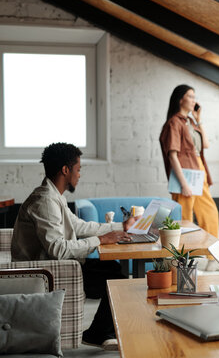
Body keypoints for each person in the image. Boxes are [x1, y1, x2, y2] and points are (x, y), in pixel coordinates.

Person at [11, 143, 137, 351]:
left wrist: (119, 227)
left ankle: (100, 332)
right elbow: (58, 250)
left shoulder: (54, 195)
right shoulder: (44, 202)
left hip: (58, 266)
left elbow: (78, 225)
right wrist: (101, 240)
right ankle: (100, 333)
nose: (79, 175)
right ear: (65, 170)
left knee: (114, 271)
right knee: (117, 280)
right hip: (44, 272)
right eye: (78, 169)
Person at [159, 84, 219, 237]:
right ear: (180, 100)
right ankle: (183, 254)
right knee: (185, 218)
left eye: (195, 97)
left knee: (210, 213)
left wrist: (199, 121)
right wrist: (184, 183)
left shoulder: (190, 122)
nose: (194, 100)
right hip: (185, 174)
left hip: (199, 170)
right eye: (191, 96)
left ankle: (212, 252)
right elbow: (172, 156)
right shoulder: (174, 123)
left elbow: (205, 144)